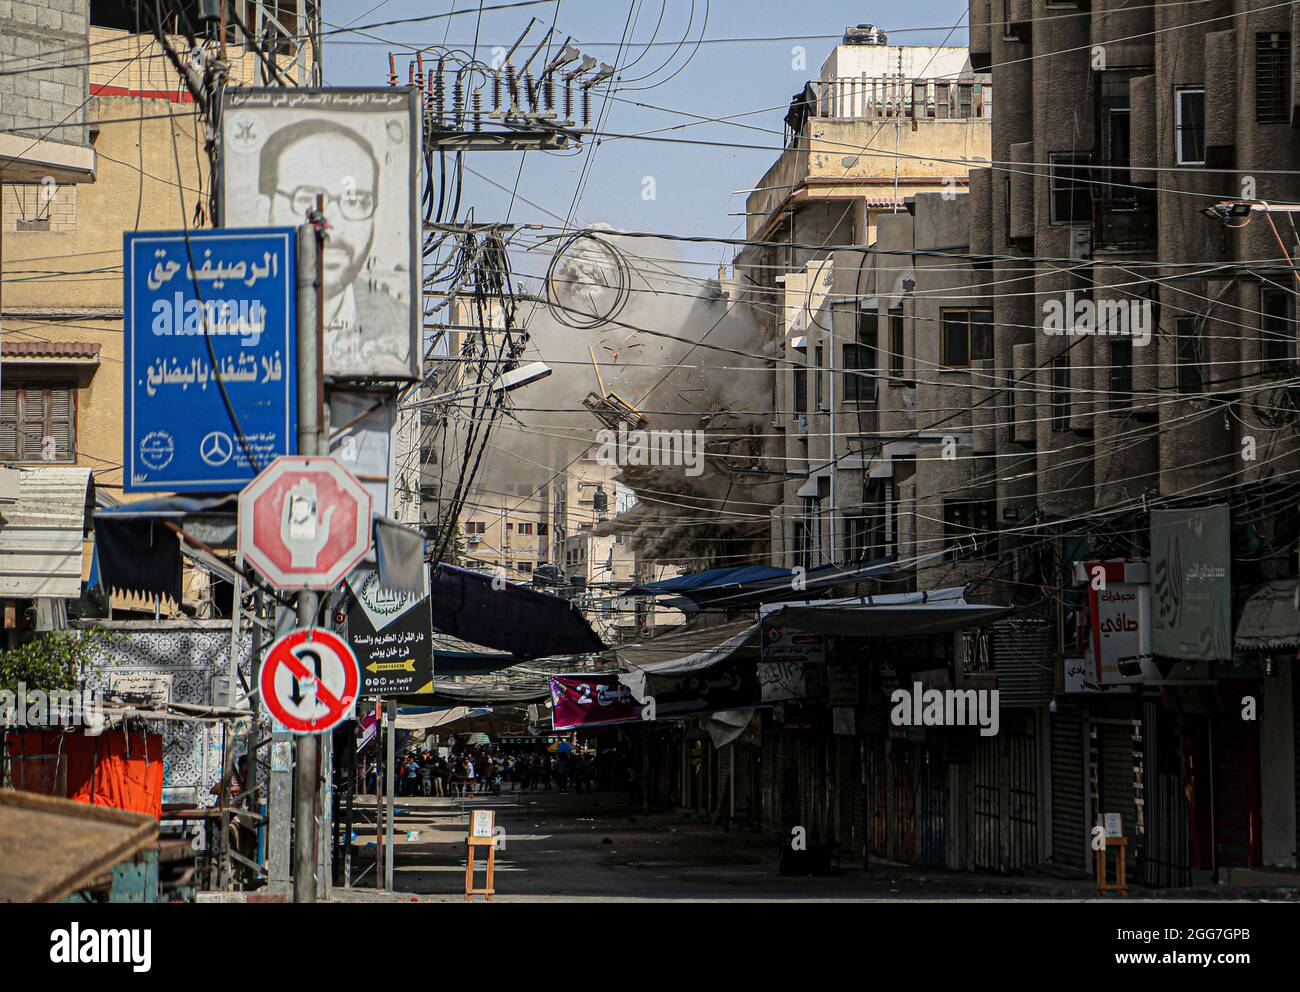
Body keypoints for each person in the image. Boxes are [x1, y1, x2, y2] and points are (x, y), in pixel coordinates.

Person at [255, 119, 409, 373]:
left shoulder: (397, 324)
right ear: (264, 212)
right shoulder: (237, 316)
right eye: (308, 199)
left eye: (357, 201)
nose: (333, 223)